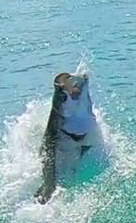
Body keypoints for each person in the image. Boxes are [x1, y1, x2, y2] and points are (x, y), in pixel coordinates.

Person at [35, 71, 98, 203]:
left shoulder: (82, 103)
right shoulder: (59, 124)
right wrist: (49, 184)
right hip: (65, 148)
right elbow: (58, 82)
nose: (75, 91)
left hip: (76, 141)